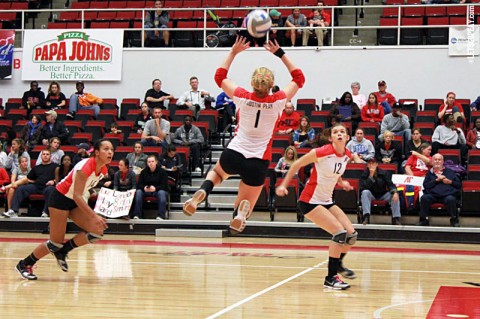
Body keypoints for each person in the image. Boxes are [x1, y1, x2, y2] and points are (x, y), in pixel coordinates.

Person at [183, 37, 304, 234]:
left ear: (253, 83)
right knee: (246, 199)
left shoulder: (242, 96)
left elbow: (219, 76)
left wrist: (233, 52)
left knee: (218, 174)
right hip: (258, 160)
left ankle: (204, 189)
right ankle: (241, 214)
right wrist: (279, 53)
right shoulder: (279, 100)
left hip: (234, 152)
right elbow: (299, 78)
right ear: (270, 84)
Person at [14, 139, 113, 280]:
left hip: (72, 200)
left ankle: (64, 251)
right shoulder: (85, 167)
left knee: (97, 231)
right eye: (106, 149)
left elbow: (81, 191)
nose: (110, 152)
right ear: (96, 152)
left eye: (112, 149)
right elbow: (77, 195)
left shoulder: (103, 169)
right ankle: (24, 264)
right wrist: (94, 215)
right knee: (55, 242)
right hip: (60, 198)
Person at [276, 124, 359, 290]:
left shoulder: (347, 154)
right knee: (339, 233)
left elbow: (337, 171)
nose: (339, 134)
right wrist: (283, 185)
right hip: (310, 201)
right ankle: (330, 278)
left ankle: (339, 264)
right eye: (335, 132)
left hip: (327, 200)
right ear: (331, 138)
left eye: (342, 132)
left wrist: (342, 183)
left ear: (347, 137)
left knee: (351, 235)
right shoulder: (322, 152)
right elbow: (296, 164)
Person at [2, 148, 57, 218]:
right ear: (41, 156)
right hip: (36, 187)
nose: (45, 156)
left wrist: (54, 181)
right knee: (21, 188)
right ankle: (13, 211)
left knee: (51, 189)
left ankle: (45, 212)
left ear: (50, 156)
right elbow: (27, 179)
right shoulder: (36, 168)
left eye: (47, 154)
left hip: (48, 187)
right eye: (43, 154)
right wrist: (13, 184)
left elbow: (61, 178)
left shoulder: (55, 167)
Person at [417, 153, 461, 227]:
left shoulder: (450, 172)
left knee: (451, 199)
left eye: (439, 160)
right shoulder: (429, 173)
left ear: (443, 161)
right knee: (424, 198)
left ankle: (454, 220)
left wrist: (450, 182)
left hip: (447, 195)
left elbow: (459, 185)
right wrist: (436, 180)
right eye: (435, 160)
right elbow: (426, 185)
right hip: (433, 195)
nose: (437, 161)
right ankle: (424, 220)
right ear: (432, 161)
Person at [360, 158, 400, 225]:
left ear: (377, 164)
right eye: (369, 164)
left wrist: (395, 192)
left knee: (394, 195)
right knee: (365, 192)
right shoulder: (364, 174)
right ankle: (366, 216)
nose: (371, 165)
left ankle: (396, 218)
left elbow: (390, 185)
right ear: (367, 165)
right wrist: (371, 176)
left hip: (383, 194)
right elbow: (364, 187)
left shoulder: (384, 173)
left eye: (373, 163)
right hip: (371, 194)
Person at [132, 155, 169, 220]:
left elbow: (165, 185)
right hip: (146, 191)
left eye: (152, 161)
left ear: (156, 162)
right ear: (147, 163)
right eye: (149, 162)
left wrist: (155, 188)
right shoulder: (143, 172)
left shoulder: (162, 172)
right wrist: (144, 188)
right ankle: (137, 215)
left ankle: (161, 216)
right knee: (138, 192)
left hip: (158, 191)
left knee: (162, 193)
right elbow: (139, 185)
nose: (151, 163)